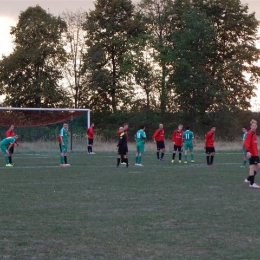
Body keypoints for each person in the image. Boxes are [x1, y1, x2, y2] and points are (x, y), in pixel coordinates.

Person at [244, 119, 260, 188]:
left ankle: (248, 179)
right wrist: (248, 151)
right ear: (251, 126)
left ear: (257, 126)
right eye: (253, 125)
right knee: (252, 167)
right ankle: (252, 183)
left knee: (258, 166)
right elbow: (246, 142)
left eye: (255, 125)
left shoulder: (254, 133)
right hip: (252, 154)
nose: (254, 127)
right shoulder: (250, 133)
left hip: (255, 153)